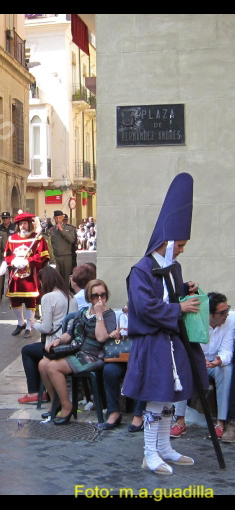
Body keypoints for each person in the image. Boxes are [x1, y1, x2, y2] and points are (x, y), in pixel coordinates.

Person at [122, 173, 207, 475]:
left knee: (170, 398)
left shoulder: (173, 267)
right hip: (153, 343)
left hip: (171, 342)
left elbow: (170, 296)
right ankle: (149, 452)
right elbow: (145, 308)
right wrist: (178, 306)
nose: (183, 249)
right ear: (168, 242)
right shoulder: (141, 270)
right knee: (156, 399)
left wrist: (186, 292)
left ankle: (165, 448)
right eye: (180, 244)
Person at [39, 279, 116, 425]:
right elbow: (70, 333)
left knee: (53, 367)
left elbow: (101, 338)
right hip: (77, 349)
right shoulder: (83, 312)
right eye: (95, 296)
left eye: (103, 295)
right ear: (89, 297)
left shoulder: (108, 314)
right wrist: (59, 341)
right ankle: (57, 401)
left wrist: (99, 314)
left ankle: (67, 406)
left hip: (93, 355)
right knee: (43, 364)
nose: (99, 299)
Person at [172, 292, 233, 440]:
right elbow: (189, 348)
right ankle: (179, 420)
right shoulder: (195, 320)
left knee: (226, 369)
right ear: (210, 314)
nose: (226, 314)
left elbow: (227, 349)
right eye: (222, 312)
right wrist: (199, 361)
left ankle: (220, 423)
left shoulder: (231, 320)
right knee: (183, 367)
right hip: (197, 361)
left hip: (215, 363)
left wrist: (220, 360)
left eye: (227, 309)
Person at [18, 266, 77, 405]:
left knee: (26, 351)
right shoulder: (71, 296)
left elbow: (46, 327)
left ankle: (34, 392)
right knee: (33, 350)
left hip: (54, 345)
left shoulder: (48, 297)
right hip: (69, 344)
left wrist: (33, 323)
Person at [98, 302, 146, 432]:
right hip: (120, 356)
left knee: (142, 370)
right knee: (109, 370)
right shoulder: (119, 316)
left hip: (139, 358)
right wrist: (113, 333)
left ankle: (139, 414)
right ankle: (113, 412)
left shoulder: (146, 316)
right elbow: (105, 336)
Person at [5, 212, 49, 338]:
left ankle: (29, 326)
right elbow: (7, 254)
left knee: (31, 299)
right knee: (14, 299)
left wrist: (27, 261)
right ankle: (21, 323)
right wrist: (12, 261)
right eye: (20, 224)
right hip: (16, 274)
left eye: (25, 223)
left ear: (29, 224)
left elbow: (42, 255)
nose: (22, 226)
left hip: (31, 275)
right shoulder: (12, 238)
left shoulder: (38, 238)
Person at [48, 210, 76, 286]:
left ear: (63, 218)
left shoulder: (69, 228)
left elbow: (71, 240)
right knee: (56, 279)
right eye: (56, 218)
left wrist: (62, 230)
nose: (58, 220)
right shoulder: (51, 230)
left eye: (60, 218)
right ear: (54, 218)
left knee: (65, 280)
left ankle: (66, 295)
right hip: (56, 258)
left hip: (66, 257)